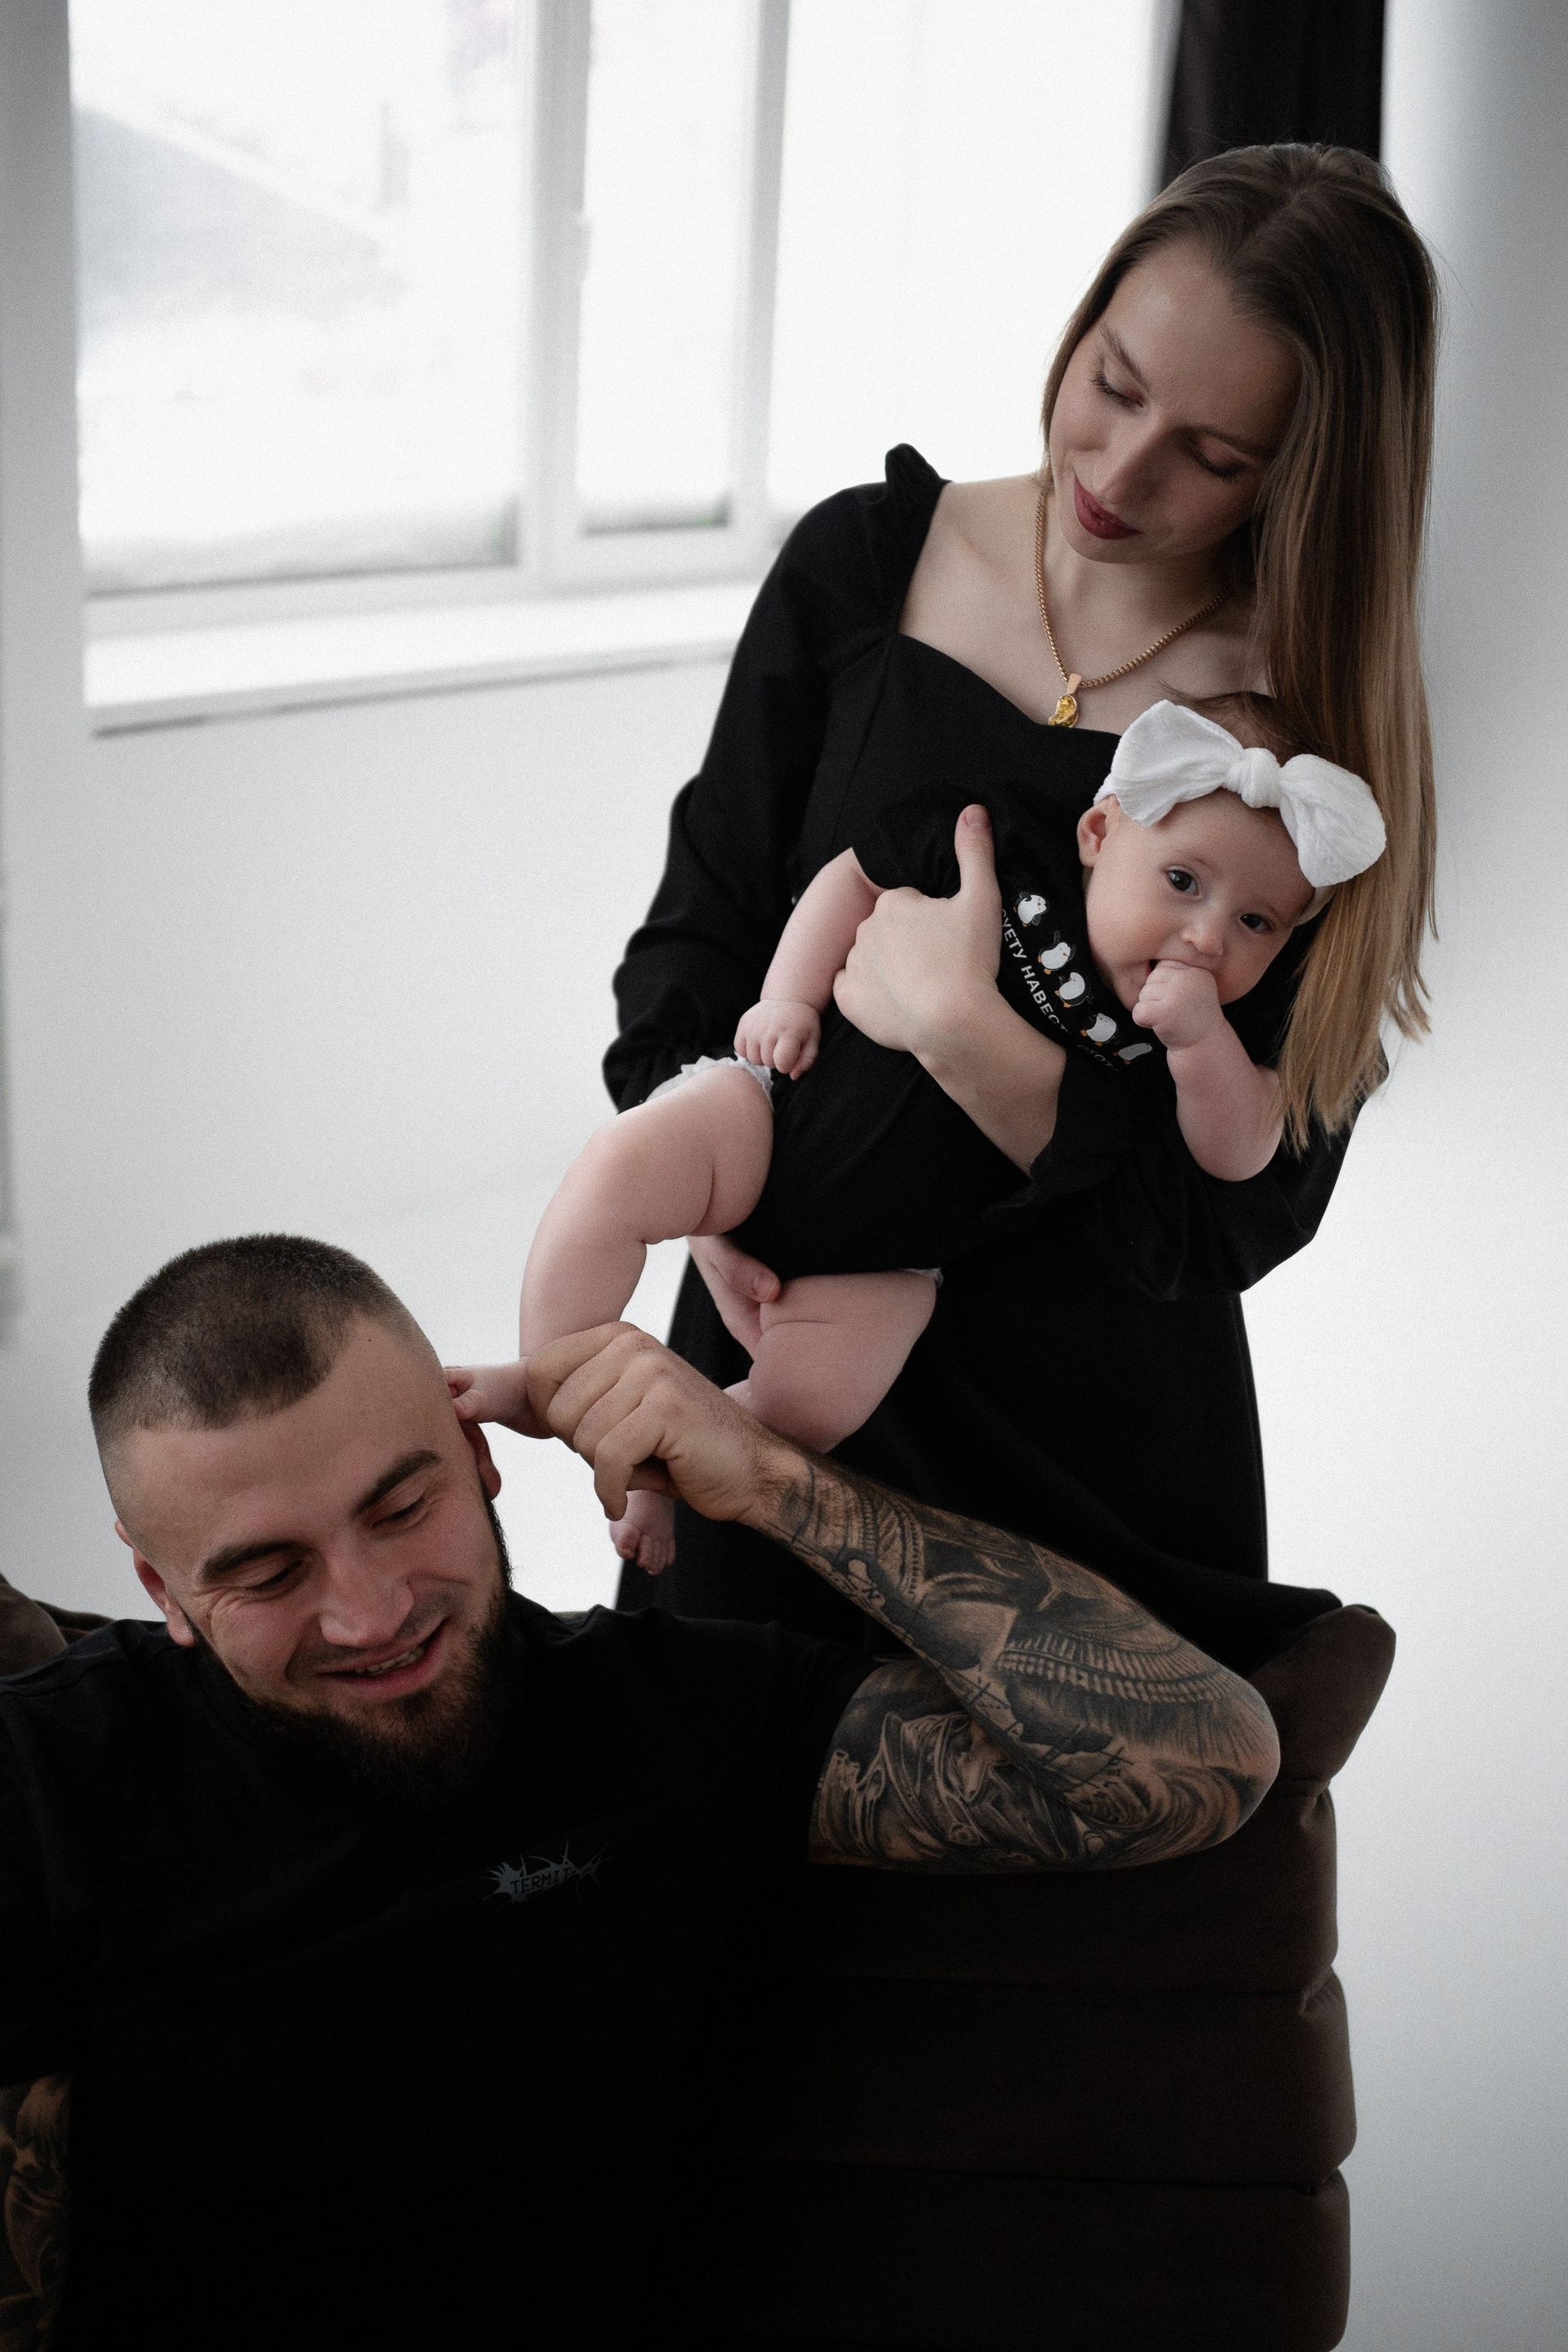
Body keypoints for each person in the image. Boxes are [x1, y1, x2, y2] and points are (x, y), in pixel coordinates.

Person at [0, 1235, 1279, 2350]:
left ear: (478, 1453)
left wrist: (770, 1478)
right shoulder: (49, 1776)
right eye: (270, 1575)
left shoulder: (660, 1717)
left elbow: (1206, 1762)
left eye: (402, 1508)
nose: (371, 1612)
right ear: (163, 1590)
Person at [605, 143, 1438, 1663]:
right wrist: (705, 1173)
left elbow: (1233, 1212)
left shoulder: (1301, 763)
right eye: (1112, 384)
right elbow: (699, 938)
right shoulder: (866, 562)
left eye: (1215, 455)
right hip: (777, 1330)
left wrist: (977, 1045)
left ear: (1305, 477)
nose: (1119, 473)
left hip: (1086, 1448)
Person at [455, 698, 1385, 1573]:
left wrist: (1202, 1044)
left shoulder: (1198, 1031)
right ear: (1100, 833)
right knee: (619, 1170)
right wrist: (787, 997)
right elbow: (855, 874)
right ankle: (545, 1376)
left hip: (890, 1264)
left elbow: (1239, 1156)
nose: (1208, 937)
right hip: (774, 1116)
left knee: (805, 1412)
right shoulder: (1007, 845)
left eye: (1254, 922)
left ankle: (655, 1473)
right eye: (1182, 882)